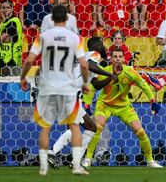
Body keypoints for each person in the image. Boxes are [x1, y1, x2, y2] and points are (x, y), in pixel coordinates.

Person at [20, 4, 90, 176]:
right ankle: (76, 166)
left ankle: (43, 167)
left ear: (51, 19)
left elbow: (29, 60)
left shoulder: (42, 36)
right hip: (67, 86)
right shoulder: (76, 38)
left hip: (48, 85)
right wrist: (85, 82)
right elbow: (83, 64)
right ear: (67, 19)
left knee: (45, 126)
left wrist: (23, 77)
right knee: (74, 126)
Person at [81, 48, 163, 168]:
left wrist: (153, 101)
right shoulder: (104, 71)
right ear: (111, 59)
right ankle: (88, 159)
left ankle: (150, 161)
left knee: (139, 131)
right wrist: (87, 104)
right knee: (97, 127)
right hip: (105, 104)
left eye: (120, 57)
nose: (118, 59)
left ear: (124, 59)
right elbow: (92, 87)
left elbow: (143, 85)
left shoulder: (130, 72)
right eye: (115, 57)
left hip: (123, 106)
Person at [47, 37, 117, 169]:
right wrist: (109, 73)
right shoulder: (93, 55)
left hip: (69, 95)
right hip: (70, 95)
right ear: (97, 46)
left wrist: (110, 78)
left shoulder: (89, 58)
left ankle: (74, 161)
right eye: (102, 44)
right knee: (88, 128)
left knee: (90, 128)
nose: (104, 47)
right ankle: (52, 152)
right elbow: (90, 65)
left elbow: (96, 84)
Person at [0, 0, 23, 76]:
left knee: (14, 84)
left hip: (11, 60)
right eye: (3, 7)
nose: (5, 9)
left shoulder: (13, 21)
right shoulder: (4, 23)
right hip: (4, 58)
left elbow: (1, 39)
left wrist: (2, 38)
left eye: (7, 7)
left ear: (12, 8)